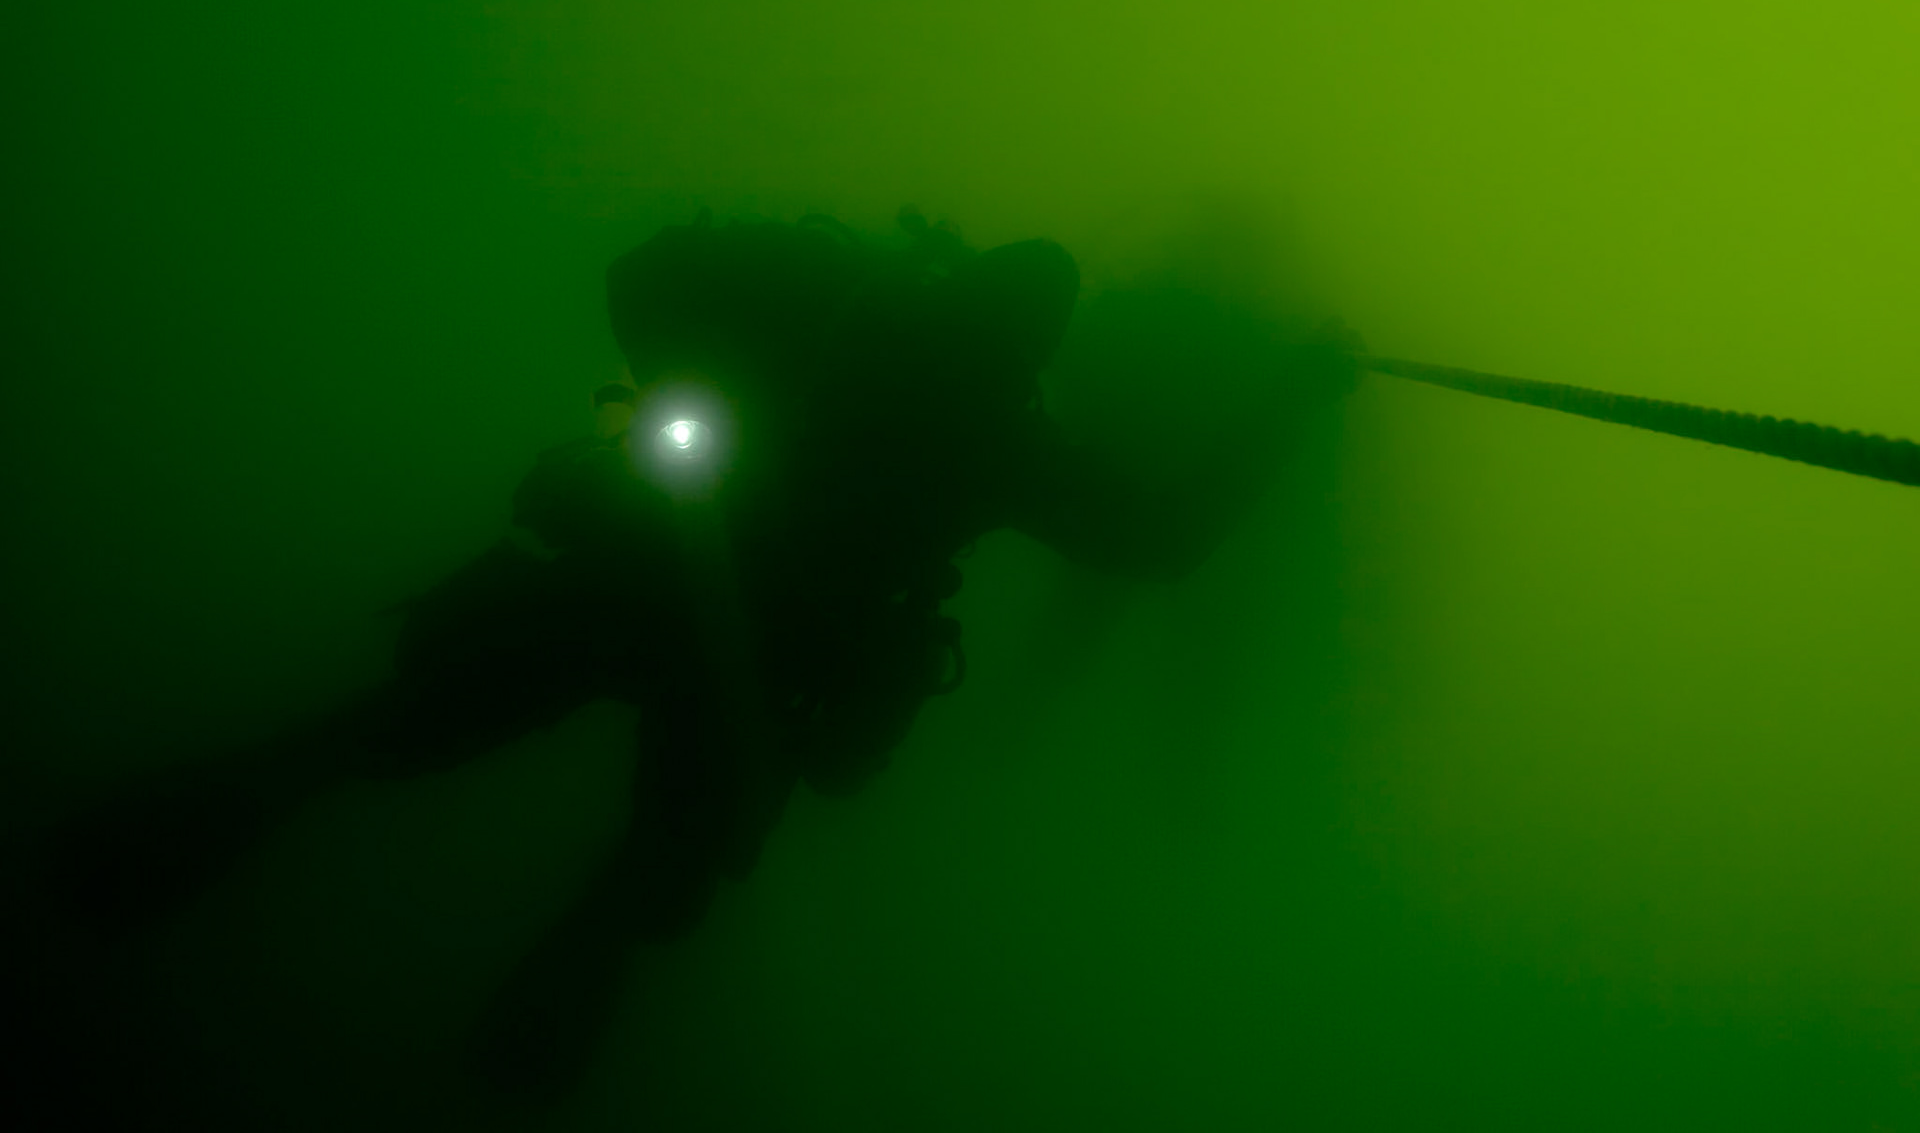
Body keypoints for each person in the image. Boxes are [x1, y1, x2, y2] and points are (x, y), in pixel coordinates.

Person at [38, 206, 1363, 1102]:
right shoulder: (991, 424)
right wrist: (1296, 405)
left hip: (653, 587)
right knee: (623, 879)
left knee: (398, 743)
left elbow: (645, 277)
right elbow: (1165, 539)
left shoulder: (855, 324)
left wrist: (791, 259)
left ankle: (174, 844)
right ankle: (510, 1042)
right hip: (751, 663)